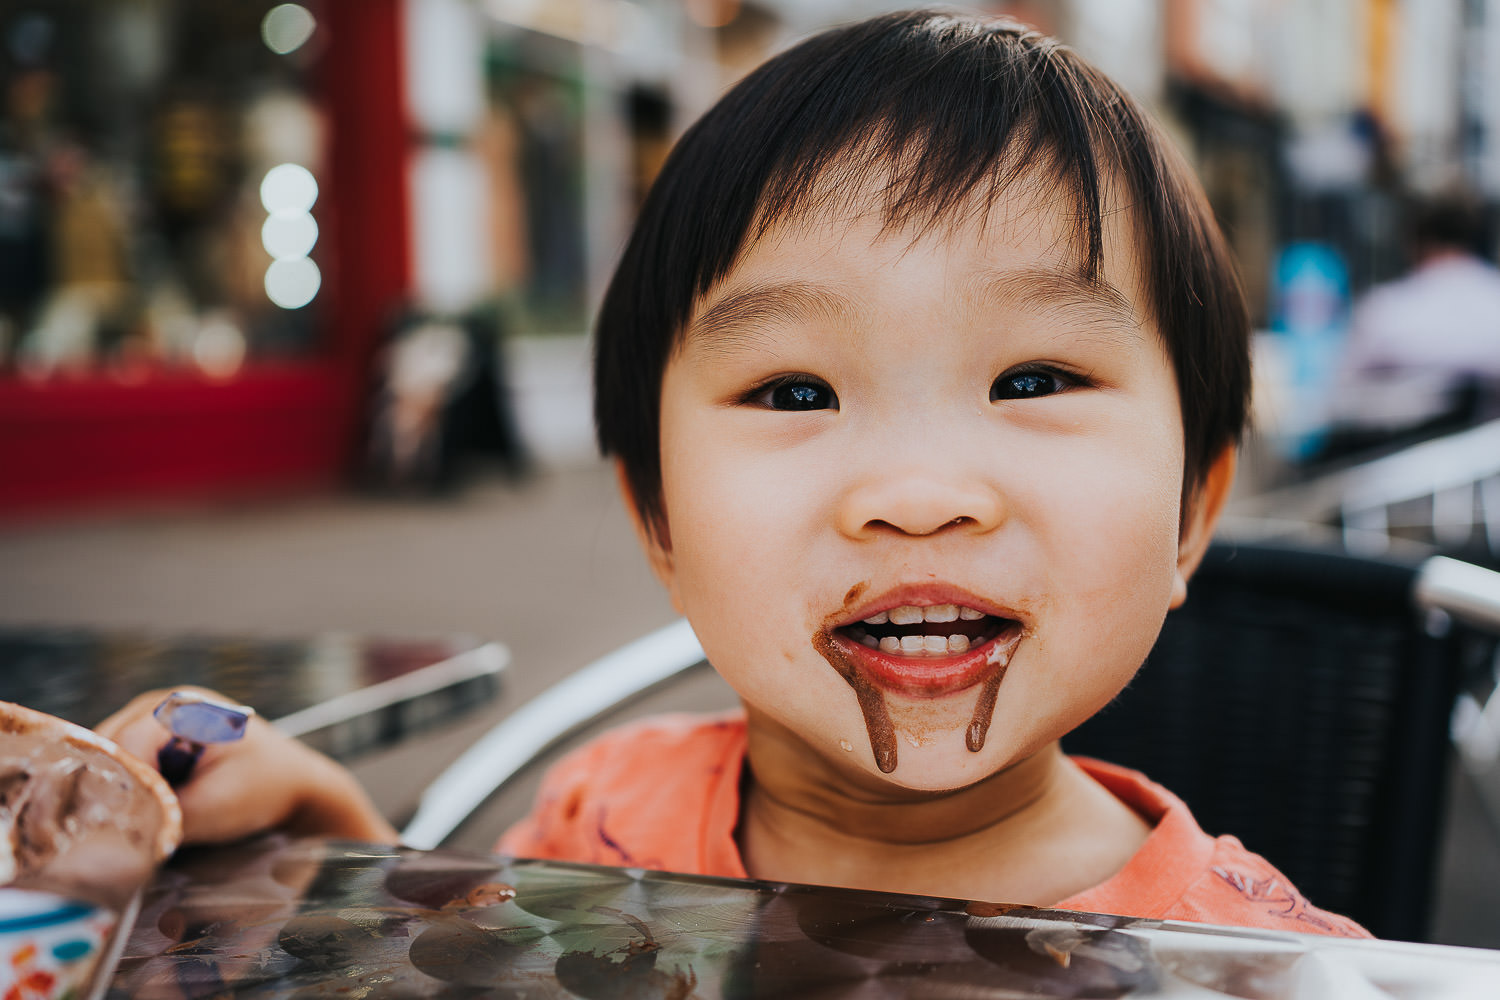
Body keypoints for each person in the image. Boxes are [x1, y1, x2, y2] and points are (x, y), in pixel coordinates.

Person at [98, 11, 1367, 938]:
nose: (917, 494)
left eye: (1032, 381)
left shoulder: (1250, 966)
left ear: (1195, 509)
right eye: (794, 392)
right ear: (657, 515)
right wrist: (328, 846)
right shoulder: (608, 809)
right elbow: (494, 962)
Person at [1325, 193, 1500, 452]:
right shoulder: (1493, 299)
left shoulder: (1386, 310)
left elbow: (1338, 398)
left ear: (1414, 243)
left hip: (1399, 470)